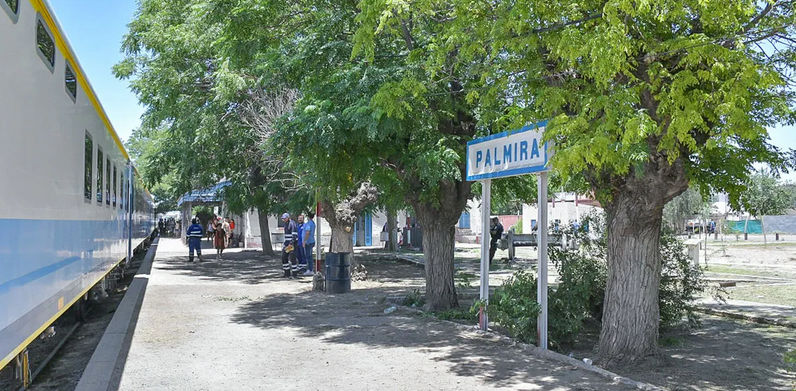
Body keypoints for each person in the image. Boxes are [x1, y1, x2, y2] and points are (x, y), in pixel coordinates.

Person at [281, 213, 299, 278]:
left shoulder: (292, 223)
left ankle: (294, 274)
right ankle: (287, 273)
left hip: (292, 244)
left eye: (285, 218)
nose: (284, 219)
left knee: (292, 258)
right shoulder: (285, 224)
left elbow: (294, 235)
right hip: (287, 244)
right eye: (283, 218)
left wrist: (291, 243)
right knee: (284, 257)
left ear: (288, 218)